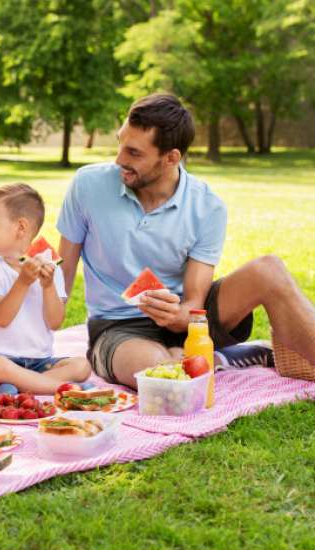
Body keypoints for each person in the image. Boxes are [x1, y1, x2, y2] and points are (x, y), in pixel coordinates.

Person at [57, 93, 315, 390]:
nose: (119, 160)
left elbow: (194, 302)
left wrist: (176, 315)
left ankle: (199, 355)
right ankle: (218, 360)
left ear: (171, 158)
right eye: (120, 143)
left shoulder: (207, 206)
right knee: (161, 375)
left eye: (134, 153)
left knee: (269, 269)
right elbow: (62, 274)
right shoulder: (87, 185)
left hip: (189, 319)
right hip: (117, 327)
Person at [0, 182, 92, 396]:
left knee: (82, 366)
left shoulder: (51, 269)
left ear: (21, 228)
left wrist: (47, 286)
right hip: (0, 359)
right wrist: (22, 282)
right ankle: (65, 389)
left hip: (41, 362)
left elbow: (55, 323)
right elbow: (1, 319)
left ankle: (16, 388)